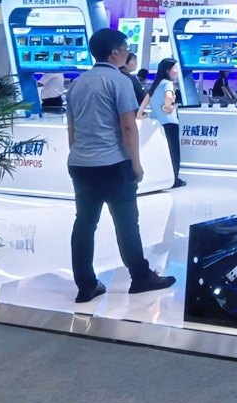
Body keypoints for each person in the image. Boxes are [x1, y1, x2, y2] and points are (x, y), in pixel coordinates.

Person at [67, 27, 175, 305]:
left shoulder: (77, 83)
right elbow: (128, 125)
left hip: (81, 163)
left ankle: (86, 285)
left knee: (84, 223)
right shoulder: (120, 81)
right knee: (126, 222)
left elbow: (72, 127)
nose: (127, 54)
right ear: (115, 52)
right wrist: (136, 164)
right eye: (126, 49)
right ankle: (140, 276)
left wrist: (79, 154)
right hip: (114, 163)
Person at [146, 58, 186, 188]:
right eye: (175, 68)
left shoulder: (156, 84)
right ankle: (174, 179)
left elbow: (147, 99)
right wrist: (168, 106)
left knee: (163, 152)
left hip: (158, 122)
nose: (177, 71)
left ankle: (163, 177)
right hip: (170, 122)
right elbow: (169, 96)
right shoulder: (168, 84)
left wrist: (141, 112)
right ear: (168, 70)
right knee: (174, 152)